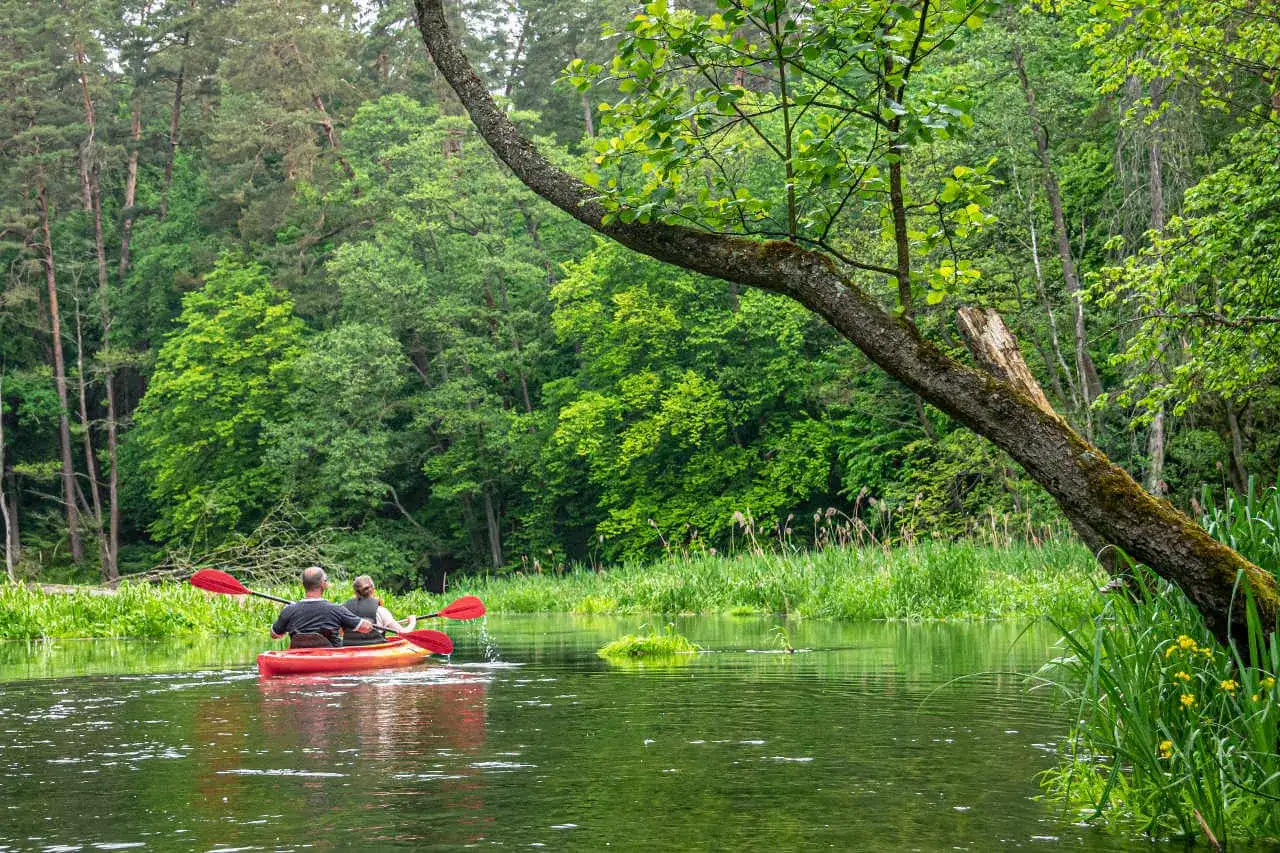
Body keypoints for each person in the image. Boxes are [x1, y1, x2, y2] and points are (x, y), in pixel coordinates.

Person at [270, 566, 374, 648]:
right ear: (322, 584)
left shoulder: (289, 610)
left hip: (300, 657)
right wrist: (368, 623)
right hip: (331, 657)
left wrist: (285, 617)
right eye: (326, 580)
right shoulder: (337, 609)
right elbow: (365, 628)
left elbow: (274, 634)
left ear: (303, 584)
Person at [341, 575, 417, 646]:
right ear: (373, 590)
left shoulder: (343, 609)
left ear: (355, 592)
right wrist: (412, 621)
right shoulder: (381, 611)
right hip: (375, 650)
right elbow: (404, 633)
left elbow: (340, 633)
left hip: (349, 650)